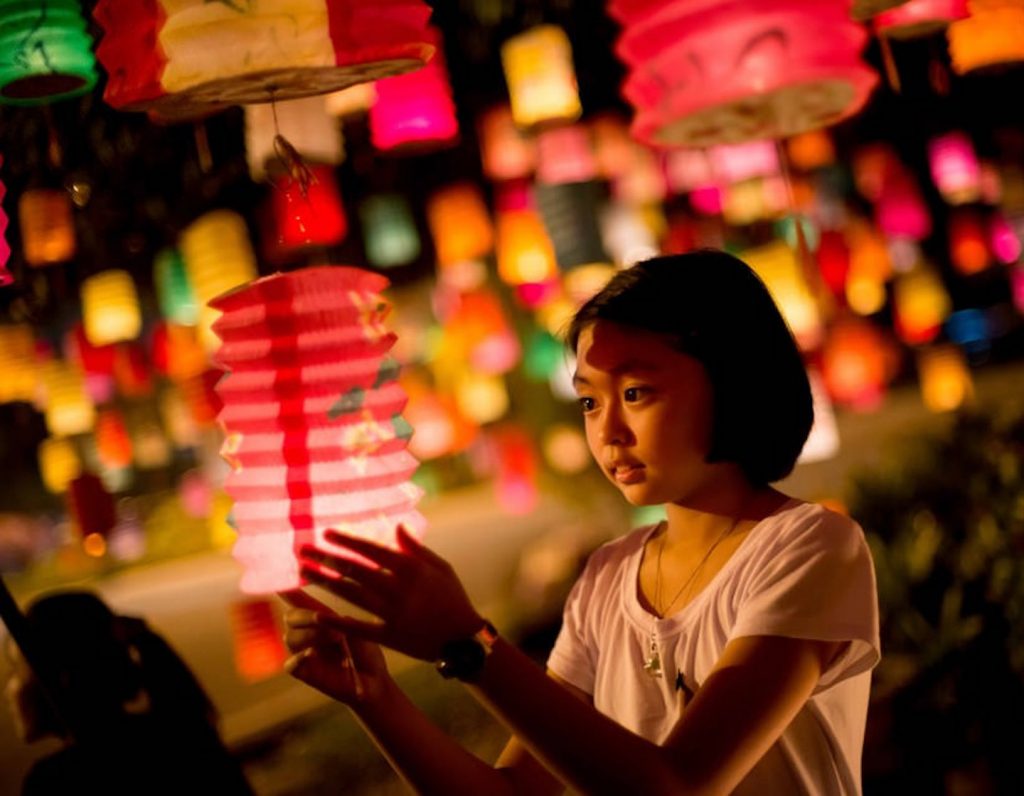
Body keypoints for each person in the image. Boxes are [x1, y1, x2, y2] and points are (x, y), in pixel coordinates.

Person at [284, 250, 880, 795]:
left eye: (638, 392)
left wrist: (470, 644)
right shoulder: (607, 577)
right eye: (591, 401)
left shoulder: (810, 547)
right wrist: (378, 700)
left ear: (733, 382)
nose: (608, 430)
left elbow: (676, 787)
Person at [3, 590, 254, 795]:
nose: (10, 687)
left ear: (60, 678)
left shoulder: (56, 781)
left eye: (17, 672)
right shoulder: (183, 736)